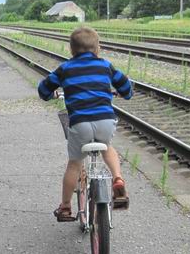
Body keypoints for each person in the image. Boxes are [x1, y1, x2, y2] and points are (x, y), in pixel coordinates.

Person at [37, 26, 133, 222]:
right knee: (108, 147)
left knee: (74, 163)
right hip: (105, 121)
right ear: (97, 49)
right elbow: (126, 88)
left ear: (71, 50)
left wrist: (50, 94)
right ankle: (117, 178)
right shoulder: (106, 65)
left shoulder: (65, 69)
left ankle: (65, 207)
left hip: (80, 124)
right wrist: (123, 92)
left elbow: (43, 90)